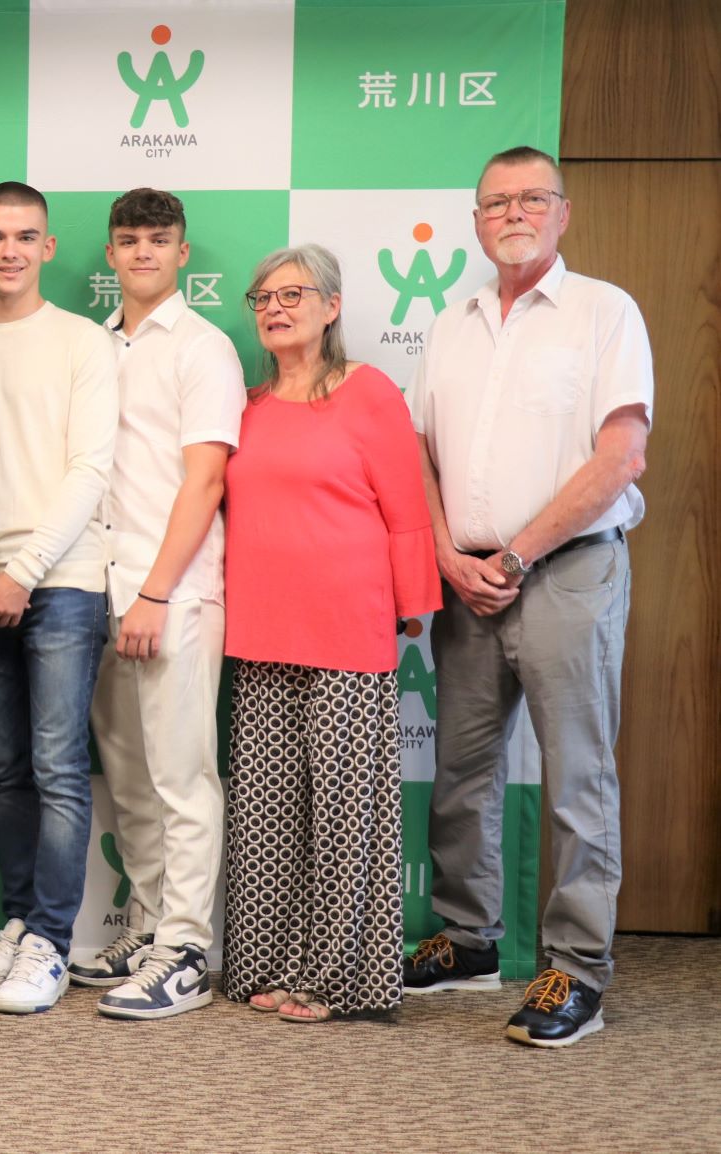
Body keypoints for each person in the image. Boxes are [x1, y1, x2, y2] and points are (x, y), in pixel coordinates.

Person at [405, 146, 652, 1049]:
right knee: (462, 774)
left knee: (575, 777)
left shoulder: (603, 313)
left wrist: (514, 555)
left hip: (566, 572)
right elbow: (420, 455)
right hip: (465, 579)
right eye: (496, 201)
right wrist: (445, 550)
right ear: (476, 221)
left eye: (531, 198)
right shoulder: (450, 323)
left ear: (563, 212)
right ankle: (468, 939)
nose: (513, 212)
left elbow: (619, 457)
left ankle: (576, 968)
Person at [221, 244, 440, 1022]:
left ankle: (340, 981)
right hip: (257, 631)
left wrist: (413, 606)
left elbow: (406, 506)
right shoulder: (243, 405)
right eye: (262, 297)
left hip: (348, 627)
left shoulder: (369, 391)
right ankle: (269, 964)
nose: (275, 308)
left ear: (332, 306)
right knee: (270, 812)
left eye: (294, 294)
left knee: (348, 811)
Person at [0, 182, 115, 1015]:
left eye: (26, 235)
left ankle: (52, 938)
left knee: (56, 768)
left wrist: (25, 569)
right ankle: (17, 923)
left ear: (49, 248)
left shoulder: (85, 343)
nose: (10, 248)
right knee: (7, 768)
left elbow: (89, 470)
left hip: (65, 583)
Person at [79, 188, 245, 1021]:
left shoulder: (203, 347)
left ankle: (184, 948)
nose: (142, 252)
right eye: (128, 239)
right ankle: (144, 926)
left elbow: (207, 479)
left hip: (168, 592)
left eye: (159, 240)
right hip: (98, 586)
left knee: (182, 774)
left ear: (183, 254)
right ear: (109, 254)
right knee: (130, 776)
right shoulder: (97, 345)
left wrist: (153, 592)